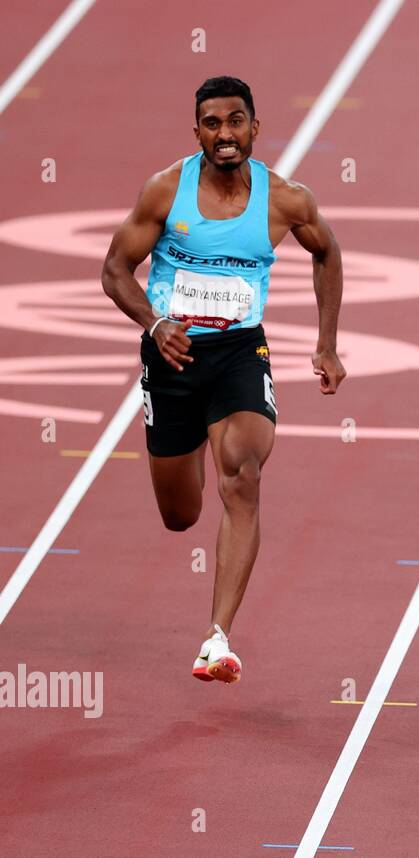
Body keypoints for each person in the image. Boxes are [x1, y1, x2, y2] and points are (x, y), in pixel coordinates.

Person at [101, 76, 345, 682]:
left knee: (243, 472)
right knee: (180, 514)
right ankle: (181, 458)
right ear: (198, 134)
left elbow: (327, 253)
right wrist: (156, 323)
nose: (225, 134)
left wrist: (326, 344)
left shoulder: (286, 199)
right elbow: (114, 270)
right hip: (173, 357)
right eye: (212, 124)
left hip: (241, 352)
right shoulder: (165, 191)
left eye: (236, 121)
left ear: (255, 128)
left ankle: (218, 637)